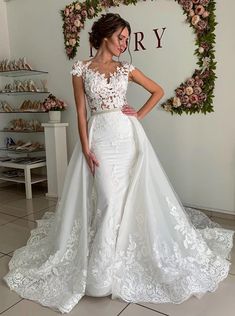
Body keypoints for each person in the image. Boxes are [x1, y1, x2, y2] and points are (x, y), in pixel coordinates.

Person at [4, 13, 234, 314]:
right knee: (109, 200)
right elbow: (82, 111)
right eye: (121, 38)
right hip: (100, 137)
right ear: (105, 36)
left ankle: (119, 261)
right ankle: (100, 271)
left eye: (127, 39)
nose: (124, 43)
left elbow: (158, 91)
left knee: (128, 199)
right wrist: (85, 146)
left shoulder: (126, 68)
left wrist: (137, 115)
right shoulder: (81, 68)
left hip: (127, 137)